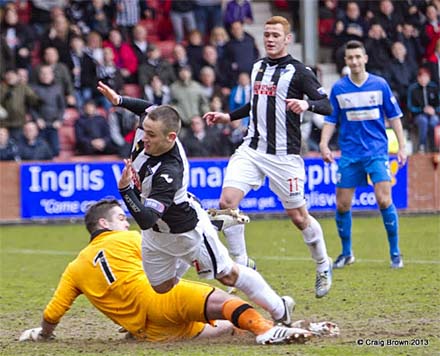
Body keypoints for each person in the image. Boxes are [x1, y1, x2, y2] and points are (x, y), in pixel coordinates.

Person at [96, 81, 296, 327]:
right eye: (144, 130)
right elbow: (149, 109)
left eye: (150, 134)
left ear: (170, 137)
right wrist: (120, 101)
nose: (144, 137)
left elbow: (147, 218)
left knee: (228, 275)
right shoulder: (152, 126)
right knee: (161, 287)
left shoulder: (169, 170)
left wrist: (126, 190)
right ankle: (212, 223)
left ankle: (280, 309)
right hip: (158, 235)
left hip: (185, 233)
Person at [19, 199, 335, 344]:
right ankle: (267, 330)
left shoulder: (74, 268)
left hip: (150, 331)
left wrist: (43, 334)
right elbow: (176, 244)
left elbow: (53, 311)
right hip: (162, 301)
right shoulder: (128, 239)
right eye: (119, 217)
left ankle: (307, 327)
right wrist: (212, 225)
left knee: (225, 325)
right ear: (104, 224)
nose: (125, 221)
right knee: (227, 303)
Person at [203, 16, 333, 298]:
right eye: (267, 34)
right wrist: (228, 116)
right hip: (252, 148)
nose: (270, 39)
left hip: (284, 157)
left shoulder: (300, 72)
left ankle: (323, 264)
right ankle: (242, 265)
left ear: (287, 39)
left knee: (299, 217)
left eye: (276, 35)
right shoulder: (258, 67)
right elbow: (256, 104)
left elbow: (327, 105)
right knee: (226, 203)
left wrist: (306, 103)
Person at [319, 40, 407, 270]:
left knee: (383, 199)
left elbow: (395, 117)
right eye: (351, 58)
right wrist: (323, 143)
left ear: (365, 58)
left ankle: (395, 253)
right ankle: (347, 253)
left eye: (358, 57)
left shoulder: (380, 85)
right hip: (350, 154)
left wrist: (402, 146)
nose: (355, 61)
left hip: (377, 152)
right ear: (346, 61)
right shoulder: (339, 88)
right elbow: (330, 119)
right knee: (342, 205)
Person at [407, 68, 440, 153]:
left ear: (429, 78)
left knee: (434, 121)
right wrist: (422, 109)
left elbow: (438, 104)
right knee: (423, 121)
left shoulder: (434, 87)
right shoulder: (413, 89)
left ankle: (434, 147)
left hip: (433, 114)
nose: (423, 79)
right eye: (421, 77)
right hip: (418, 115)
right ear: (418, 78)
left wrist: (434, 110)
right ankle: (422, 146)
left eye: (425, 77)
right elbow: (410, 106)